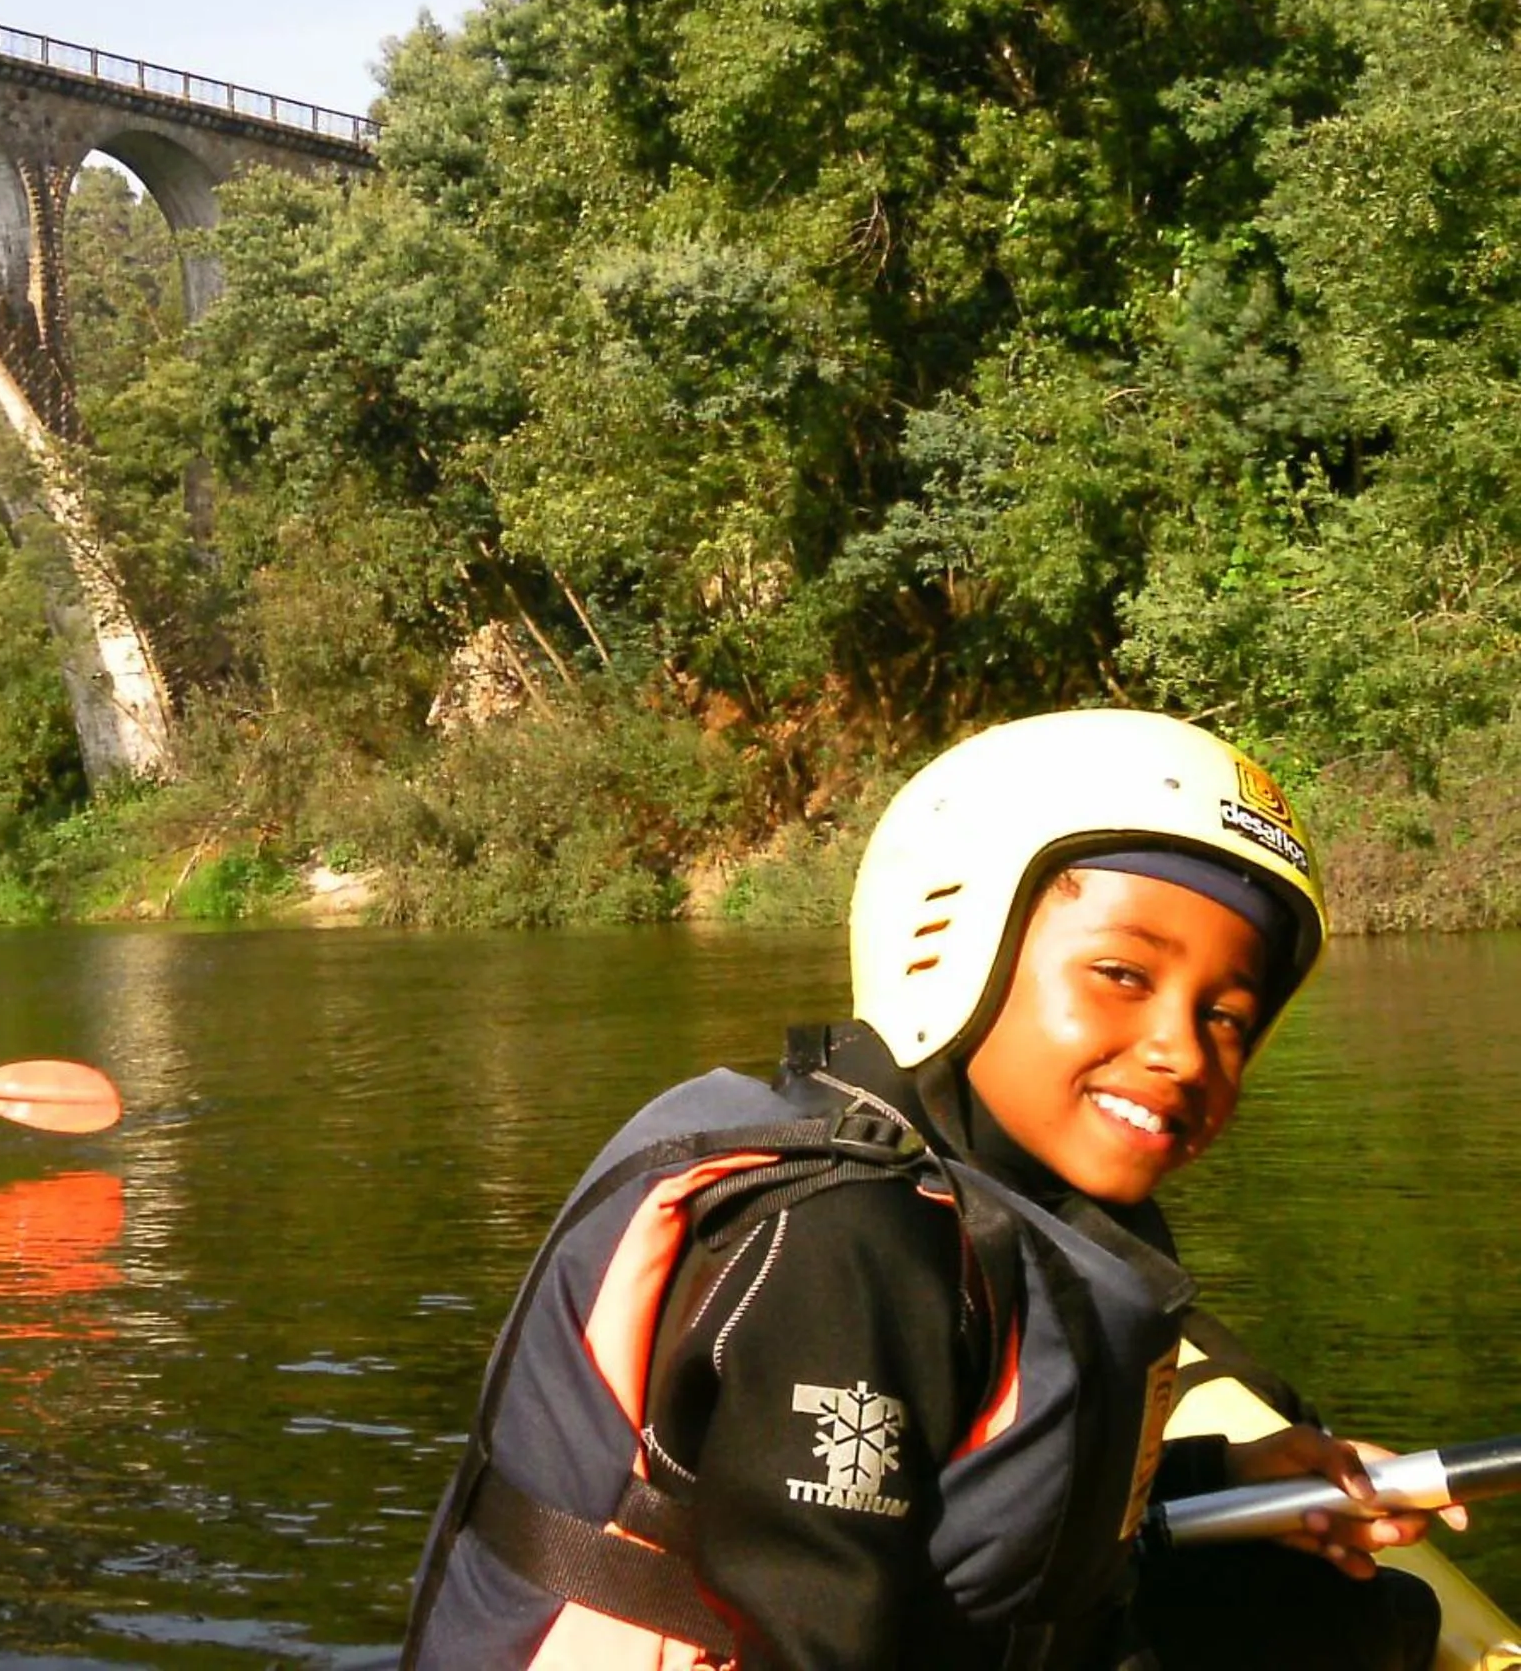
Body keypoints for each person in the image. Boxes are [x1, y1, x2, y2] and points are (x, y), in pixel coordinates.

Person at [404, 710, 1456, 1671]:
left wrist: (1231, 1476)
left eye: (1226, 1016)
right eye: (1122, 977)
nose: (1182, 1050)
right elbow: (823, 1628)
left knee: (1363, 1621)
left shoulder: (1005, 1198)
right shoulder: (840, 1237)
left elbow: (963, 1497)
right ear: (957, 941)